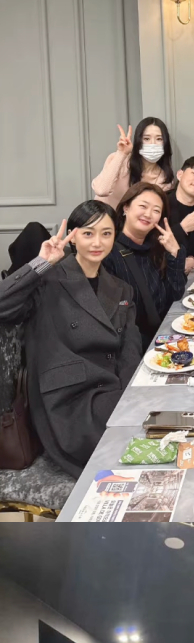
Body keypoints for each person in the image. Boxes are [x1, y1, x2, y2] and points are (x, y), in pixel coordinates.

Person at [0, 202, 141, 479]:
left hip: (110, 389)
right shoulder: (48, 279)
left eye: (106, 233)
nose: (97, 242)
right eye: (88, 233)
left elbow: (130, 347)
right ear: (73, 237)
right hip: (67, 400)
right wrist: (41, 263)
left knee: (157, 419)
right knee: (134, 442)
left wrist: (131, 395)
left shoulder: (121, 288)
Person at [104, 181, 189, 351]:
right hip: (132, 346)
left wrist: (174, 254)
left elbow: (175, 296)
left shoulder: (157, 249)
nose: (148, 214)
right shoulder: (109, 252)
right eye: (143, 206)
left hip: (165, 335)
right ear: (126, 207)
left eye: (156, 210)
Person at [93, 117, 174, 211]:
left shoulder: (164, 179)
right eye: (146, 139)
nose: (153, 144)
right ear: (138, 141)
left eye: (159, 139)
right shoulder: (119, 160)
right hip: (102, 217)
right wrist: (122, 153)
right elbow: (101, 190)